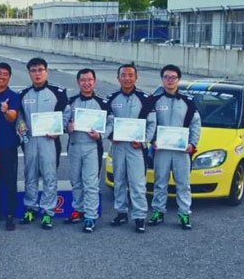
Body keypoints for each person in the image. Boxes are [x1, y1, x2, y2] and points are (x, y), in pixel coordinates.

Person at [19, 57, 70, 230]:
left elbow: (66, 114)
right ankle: (30, 208)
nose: (37, 73)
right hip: (31, 141)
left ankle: (48, 211)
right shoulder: (24, 94)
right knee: (30, 176)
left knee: (50, 177)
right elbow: (20, 119)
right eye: (33, 71)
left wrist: (59, 130)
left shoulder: (58, 92)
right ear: (29, 73)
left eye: (40, 70)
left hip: (50, 141)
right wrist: (23, 134)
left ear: (46, 71)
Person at [150, 64, 201, 230]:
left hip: (181, 151)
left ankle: (184, 213)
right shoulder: (154, 101)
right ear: (162, 79)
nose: (169, 80)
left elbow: (195, 124)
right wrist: (152, 141)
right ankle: (158, 211)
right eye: (166, 77)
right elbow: (149, 124)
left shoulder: (188, 102)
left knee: (183, 184)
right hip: (162, 150)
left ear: (178, 80)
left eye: (173, 77)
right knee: (160, 182)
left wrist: (192, 144)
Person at [106, 63, 156, 233]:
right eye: (123, 75)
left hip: (136, 148)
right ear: (118, 78)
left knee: (137, 183)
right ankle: (121, 212)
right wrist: (110, 135)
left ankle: (139, 216)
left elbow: (152, 123)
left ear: (136, 77)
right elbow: (107, 122)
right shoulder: (111, 98)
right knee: (118, 180)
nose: (127, 78)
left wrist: (144, 140)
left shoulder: (146, 99)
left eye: (130, 75)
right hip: (118, 146)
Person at [65, 68, 110, 233]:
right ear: (78, 83)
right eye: (83, 80)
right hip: (75, 145)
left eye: (90, 80)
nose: (86, 83)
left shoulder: (102, 102)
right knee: (76, 181)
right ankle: (78, 210)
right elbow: (63, 121)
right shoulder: (70, 102)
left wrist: (101, 134)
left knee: (90, 183)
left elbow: (111, 123)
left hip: (92, 146)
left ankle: (90, 216)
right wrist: (67, 128)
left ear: (94, 81)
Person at [0, 62, 21, 230]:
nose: (1, 76)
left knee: (9, 180)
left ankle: (10, 215)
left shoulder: (13, 96)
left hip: (7, 145)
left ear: (9, 77)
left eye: (5, 74)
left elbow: (13, 117)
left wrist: (6, 111)